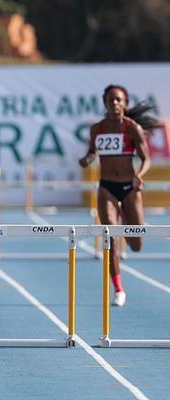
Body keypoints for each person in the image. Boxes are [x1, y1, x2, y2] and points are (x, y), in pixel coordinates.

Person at [79, 84, 158, 307]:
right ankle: (119, 288)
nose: (114, 103)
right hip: (106, 188)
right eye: (111, 100)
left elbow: (146, 159)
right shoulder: (97, 129)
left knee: (136, 244)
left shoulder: (133, 128)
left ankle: (126, 216)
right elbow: (91, 153)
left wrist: (140, 175)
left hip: (130, 188)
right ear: (105, 103)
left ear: (125, 103)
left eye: (119, 100)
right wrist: (87, 159)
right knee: (110, 239)